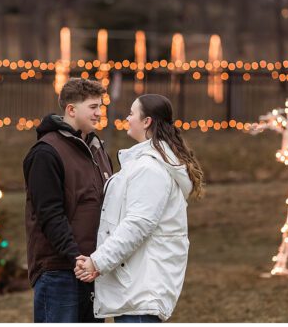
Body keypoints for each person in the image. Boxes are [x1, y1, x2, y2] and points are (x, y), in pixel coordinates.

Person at [74, 94, 204, 323]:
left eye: (132, 113)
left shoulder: (149, 169)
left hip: (142, 289)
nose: (127, 117)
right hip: (137, 287)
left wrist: (97, 262)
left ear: (147, 122)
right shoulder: (146, 163)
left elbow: (137, 225)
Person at [23, 78, 113, 323]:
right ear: (71, 109)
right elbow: (50, 215)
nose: (99, 113)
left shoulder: (98, 150)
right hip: (59, 271)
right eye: (93, 107)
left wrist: (97, 261)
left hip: (92, 269)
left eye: (100, 106)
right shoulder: (46, 152)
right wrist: (76, 258)